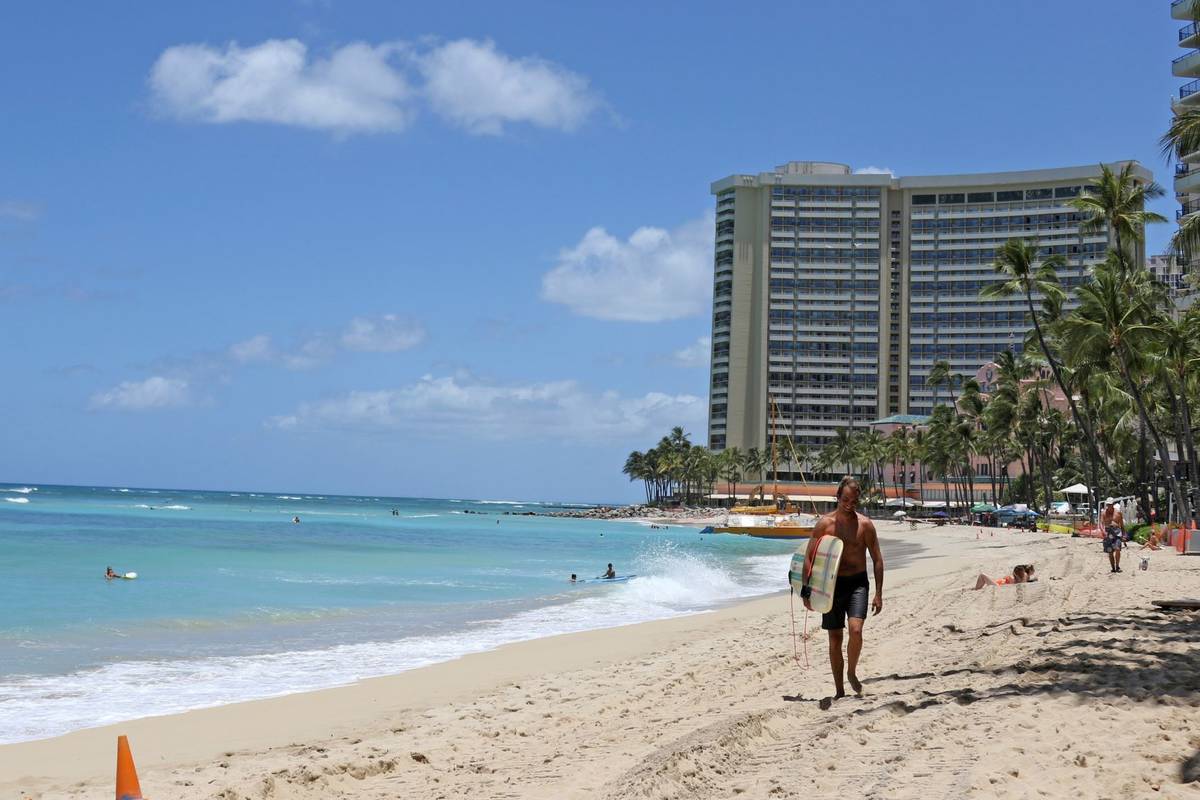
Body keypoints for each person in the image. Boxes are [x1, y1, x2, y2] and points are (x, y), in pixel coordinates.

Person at [800, 476, 884, 702]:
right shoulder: (825, 524)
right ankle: (839, 689)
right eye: (845, 499)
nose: (849, 504)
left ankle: (851, 672)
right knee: (835, 638)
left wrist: (878, 593)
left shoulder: (865, 525)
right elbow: (808, 556)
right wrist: (806, 589)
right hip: (831, 585)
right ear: (837, 497)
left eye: (854, 500)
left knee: (856, 630)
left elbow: (877, 559)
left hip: (857, 583)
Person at [1101, 497, 1125, 573]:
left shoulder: (1118, 513)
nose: (1109, 506)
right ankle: (1113, 568)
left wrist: (1124, 535)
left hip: (1117, 532)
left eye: (1110, 504)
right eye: (1108, 504)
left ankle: (1117, 566)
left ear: (1113, 504)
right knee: (1110, 551)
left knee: (1117, 549)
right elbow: (1101, 524)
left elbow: (1122, 525)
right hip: (1108, 532)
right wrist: (1103, 532)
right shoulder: (1104, 513)